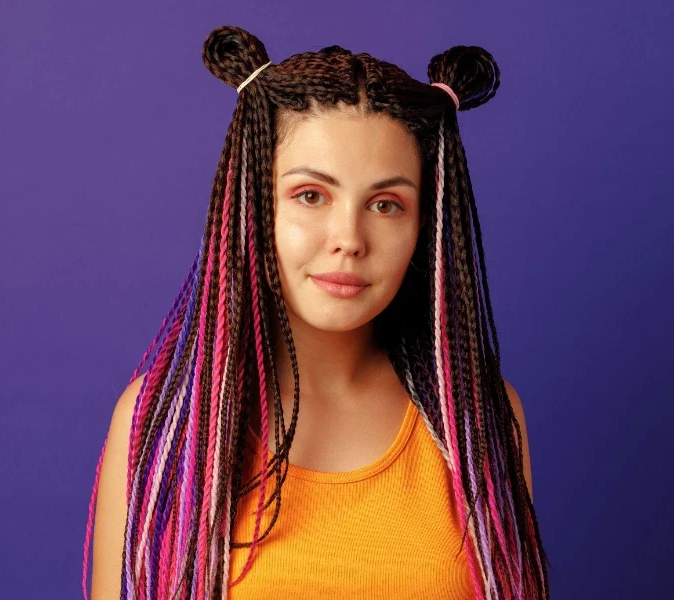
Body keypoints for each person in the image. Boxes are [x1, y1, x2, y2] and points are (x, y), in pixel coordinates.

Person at [83, 25, 550, 600]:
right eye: (311, 195)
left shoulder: (479, 420)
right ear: (253, 203)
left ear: (423, 228)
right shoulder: (162, 421)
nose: (348, 238)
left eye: (386, 204)